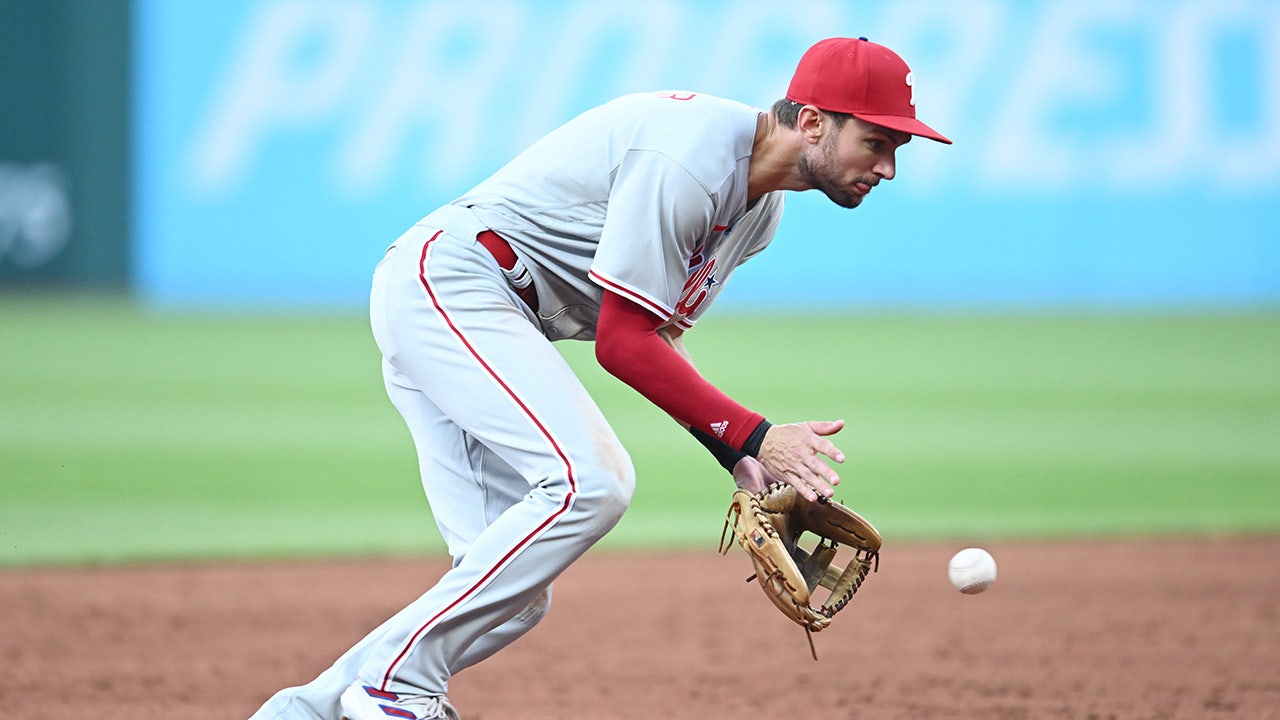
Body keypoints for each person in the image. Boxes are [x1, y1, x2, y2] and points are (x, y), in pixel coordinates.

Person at [249, 36, 950, 720]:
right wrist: (760, 435)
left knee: (509, 594)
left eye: (897, 149)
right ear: (815, 122)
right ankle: (392, 689)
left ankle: (307, 712)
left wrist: (736, 455)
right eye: (877, 142)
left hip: (486, 317)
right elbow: (619, 342)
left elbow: (658, 336)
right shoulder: (693, 156)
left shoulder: (760, 213)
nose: (887, 167)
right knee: (593, 482)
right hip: (453, 286)